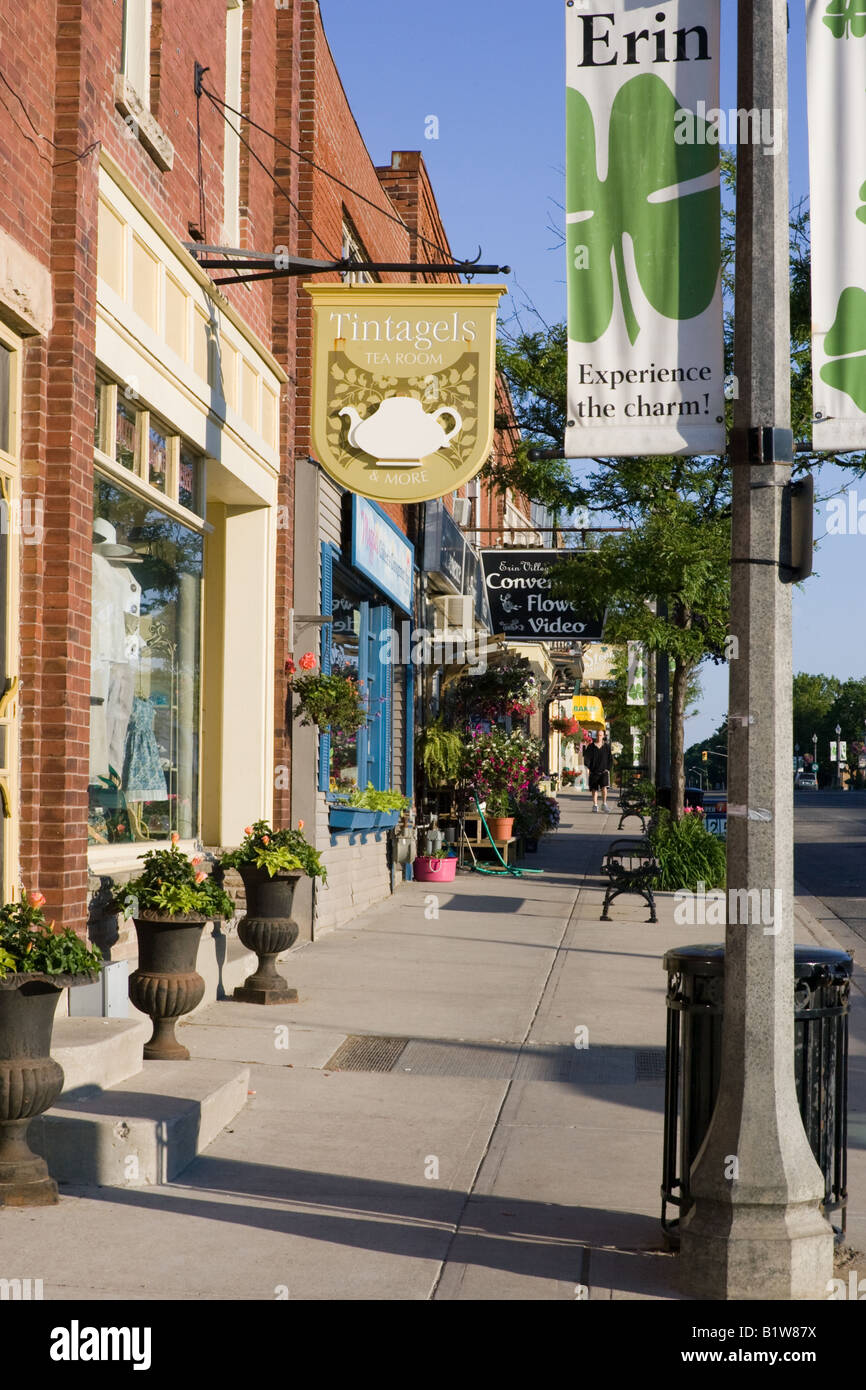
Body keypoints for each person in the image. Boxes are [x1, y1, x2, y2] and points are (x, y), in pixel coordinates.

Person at [583, 729, 612, 813]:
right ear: (596, 736)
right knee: (594, 789)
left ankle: (604, 804)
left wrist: (608, 769)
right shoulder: (591, 747)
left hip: (604, 771)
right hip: (594, 771)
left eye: (601, 735)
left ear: (603, 736)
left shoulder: (606, 747)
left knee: (604, 787)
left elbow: (610, 759)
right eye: (598, 735)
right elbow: (587, 758)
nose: (599, 737)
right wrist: (589, 768)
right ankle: (595, 805)